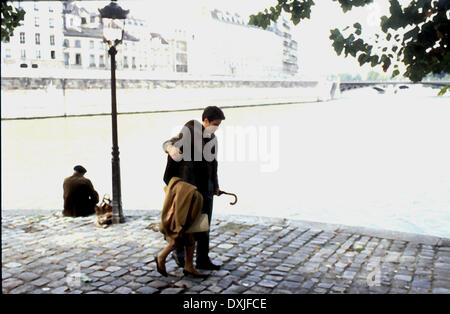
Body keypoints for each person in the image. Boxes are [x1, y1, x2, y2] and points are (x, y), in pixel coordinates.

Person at [162, 106, 225, 270]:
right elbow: (168, 143)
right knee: (186, 223)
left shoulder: (213, 139)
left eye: (219, 125)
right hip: (190, 186)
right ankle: (179, 254)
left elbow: (214, 164)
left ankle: (202, 259)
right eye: (215, 124)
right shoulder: (189, 132)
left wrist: (216, 186)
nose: (217, 128)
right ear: (205, 121)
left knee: (204, 225)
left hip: (207, 187)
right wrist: (170, 148)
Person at [156, 176, 208, 278]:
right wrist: (182, 191)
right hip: (184, 197)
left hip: (198, 195)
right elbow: (167, 176)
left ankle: (189, 266)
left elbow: (208, 171)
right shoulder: (177, 159)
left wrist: (214, 186)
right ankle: (161, 257)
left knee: (191, 233)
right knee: (180, 232)